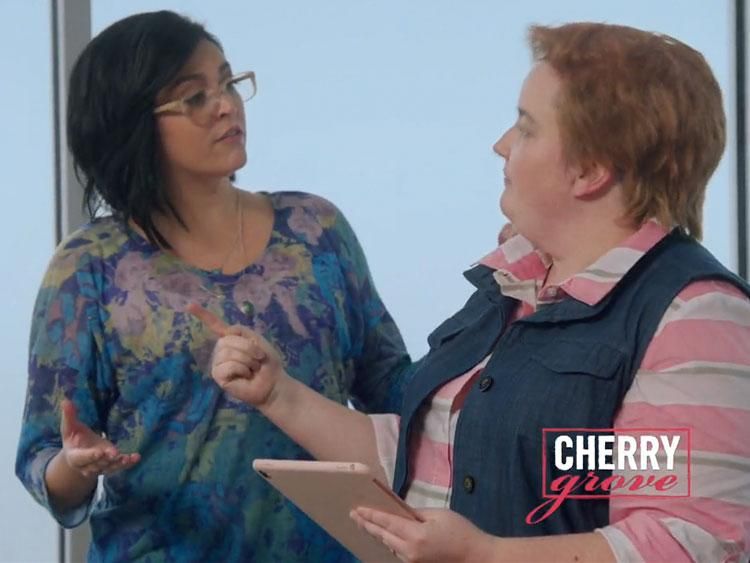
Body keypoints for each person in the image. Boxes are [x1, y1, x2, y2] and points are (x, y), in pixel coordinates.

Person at [193, 22, 750, 562]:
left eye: (526, 128)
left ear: (591, 170)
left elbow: (684, 541)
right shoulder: (512, 289)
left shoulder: (692, 315)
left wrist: (486, 555)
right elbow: (433, 459)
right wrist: (279, 396)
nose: (500, 145)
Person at [15, 10, 411, 562]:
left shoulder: (315, 230)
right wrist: (75, 467)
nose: (226, 105)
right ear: (131, 124)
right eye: (194, 97)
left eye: (228, 83)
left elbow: (393, 388)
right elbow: (43, 456)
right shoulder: (89, 267)